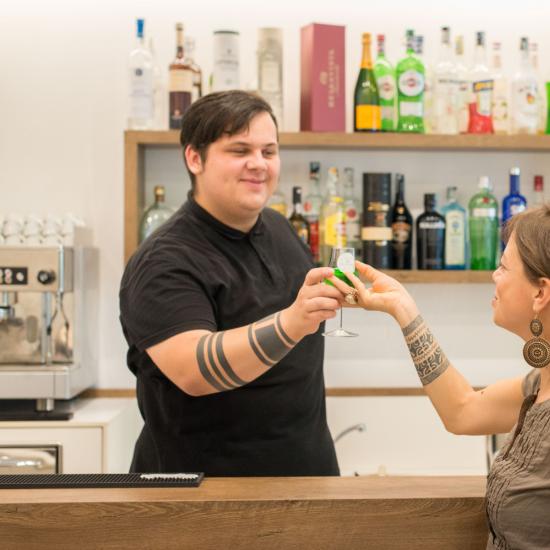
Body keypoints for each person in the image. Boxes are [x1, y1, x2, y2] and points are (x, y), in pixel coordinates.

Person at [119, 90, 344, 476]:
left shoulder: (277, 226)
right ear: (194, 158)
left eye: (268, 151)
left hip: (308, 484)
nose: (258, 164)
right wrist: (292, 323)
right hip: (205, 500)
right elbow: (194, 370)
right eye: (240, 150)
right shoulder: (164, 260)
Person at [330, 204, 550, 549]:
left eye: (504, 267)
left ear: (541, 293)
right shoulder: (537, 385)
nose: (494, 275)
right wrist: (403, 309)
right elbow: (463, 410)